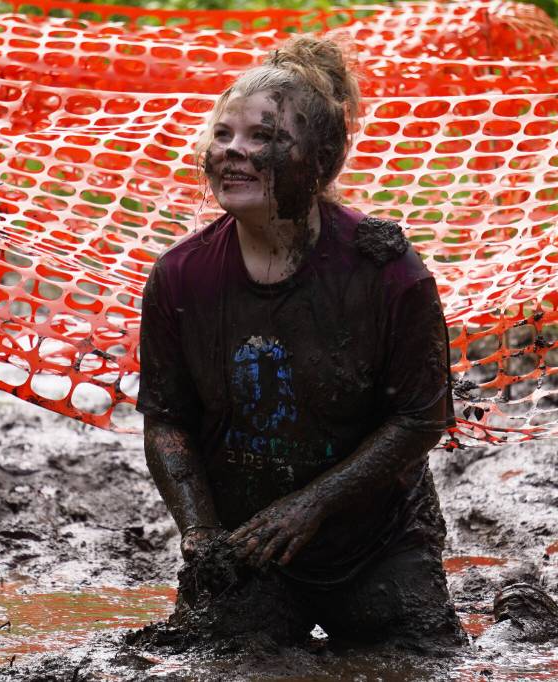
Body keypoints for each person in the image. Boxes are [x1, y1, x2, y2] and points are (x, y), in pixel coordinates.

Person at [135, 36, 467, 651]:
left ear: (320, 161)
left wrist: (311, 505)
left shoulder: (385, 269)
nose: (235, 152)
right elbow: (166, 420)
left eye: (263, 138)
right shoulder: (180, 277)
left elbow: (423, 418)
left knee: (418, 663)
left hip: (379, 546)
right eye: (224, 135)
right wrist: (201, 536)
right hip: (246, 550)